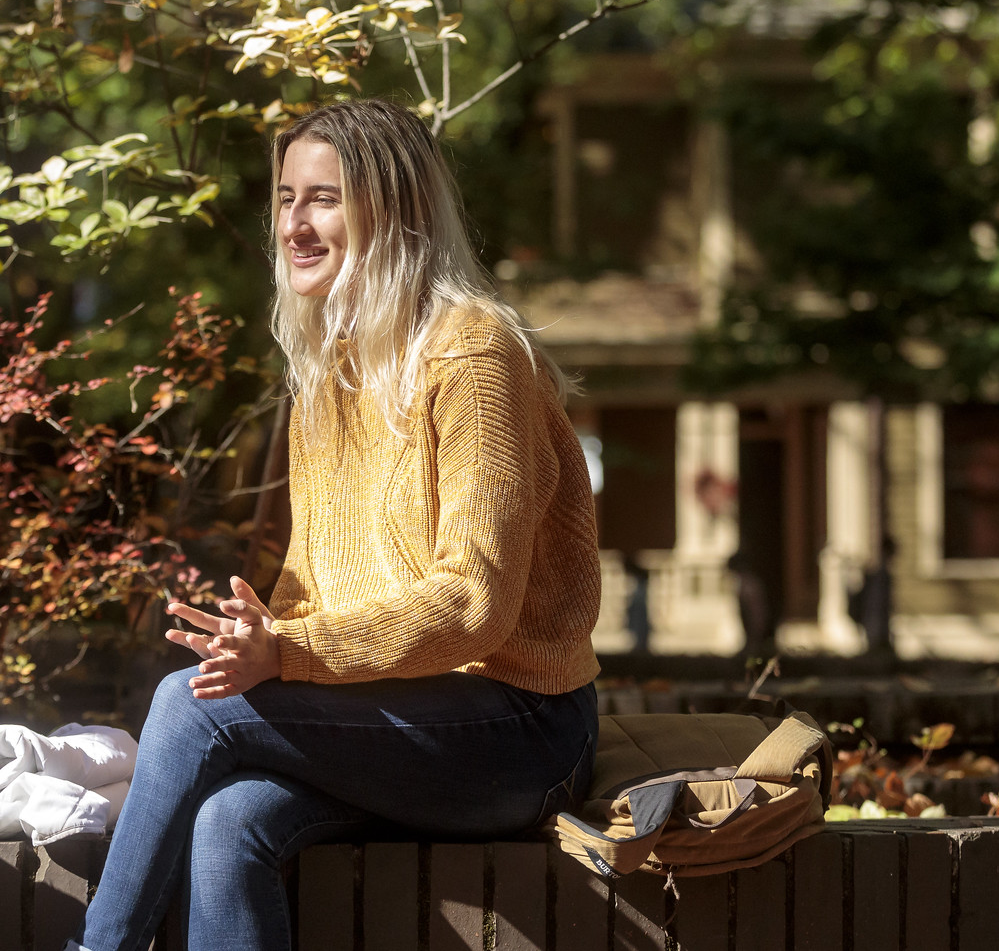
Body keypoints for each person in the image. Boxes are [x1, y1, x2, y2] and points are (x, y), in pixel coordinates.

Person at [71, 99, 603, 951]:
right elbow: (315, 577)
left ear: (394, 211)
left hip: (522, 731)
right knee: (228, 820)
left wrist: (288, 656)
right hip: (395, 714)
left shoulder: (474, 357)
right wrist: (266, 631)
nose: (294, 223)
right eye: (286, 197)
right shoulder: (330, 370)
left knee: (191, 702)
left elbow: (475, 606)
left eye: (324, 198)